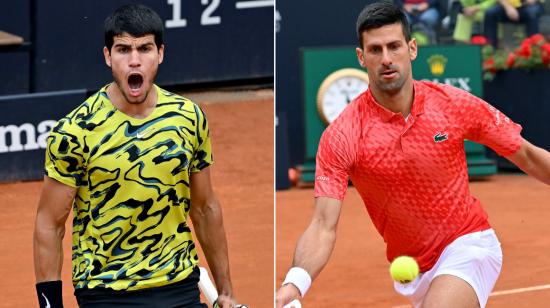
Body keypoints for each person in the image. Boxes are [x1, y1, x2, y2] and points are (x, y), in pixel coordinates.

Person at [275, 2, 550, 307]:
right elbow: (322, 225)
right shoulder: (342, 135)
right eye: (375, 50)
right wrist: (295, 283)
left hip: (469, 244)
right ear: (361, 57)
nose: (387, 59)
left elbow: (526, 155)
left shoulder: (452, 105)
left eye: (394, 46)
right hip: (413, 271)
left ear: (412, 49)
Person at [33, 4, 240, 308]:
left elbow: (205, 208)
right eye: (122, 50)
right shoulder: (75, 130)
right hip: (106, 292)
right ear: (107, 56)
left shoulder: (188, 118)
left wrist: (226, 291)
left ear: (160, 53)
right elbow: (49, 223)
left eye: (144, 48)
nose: (134, 61)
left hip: (179, 286)